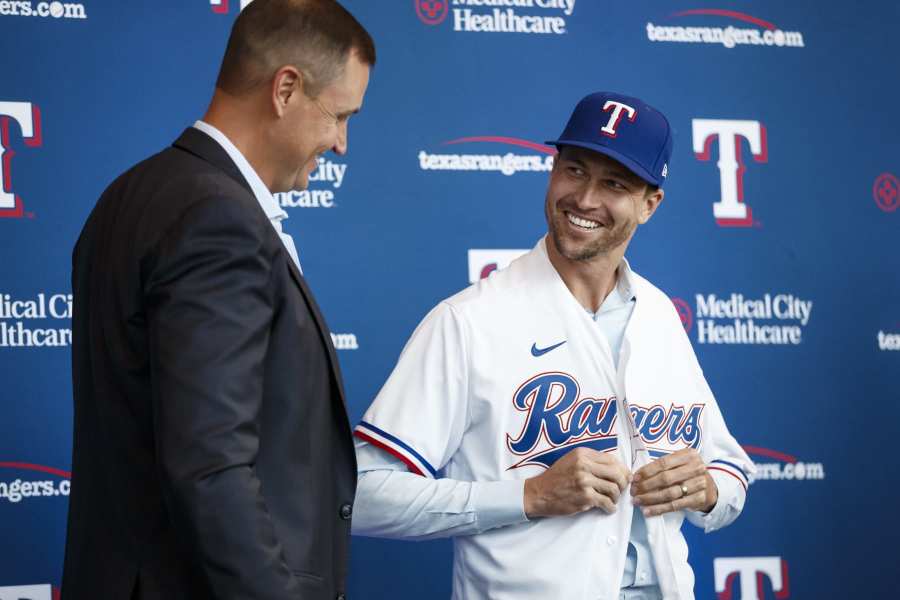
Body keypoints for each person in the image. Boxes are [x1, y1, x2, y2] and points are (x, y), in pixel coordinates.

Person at [351, 92, 754, 600]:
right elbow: (361, 493)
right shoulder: (469, 321)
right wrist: (528, 496)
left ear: (650, 204)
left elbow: (730, 470)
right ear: (552, 169)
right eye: (575, 170)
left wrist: (706, 488)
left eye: (614, 183)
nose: (585, 199)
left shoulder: (659, 316)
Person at [62, 1, 373, 598]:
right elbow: (211, 469)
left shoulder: (128, 195)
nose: (341, 144)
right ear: (286, 88)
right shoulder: (218, 218)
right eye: (339, 116)